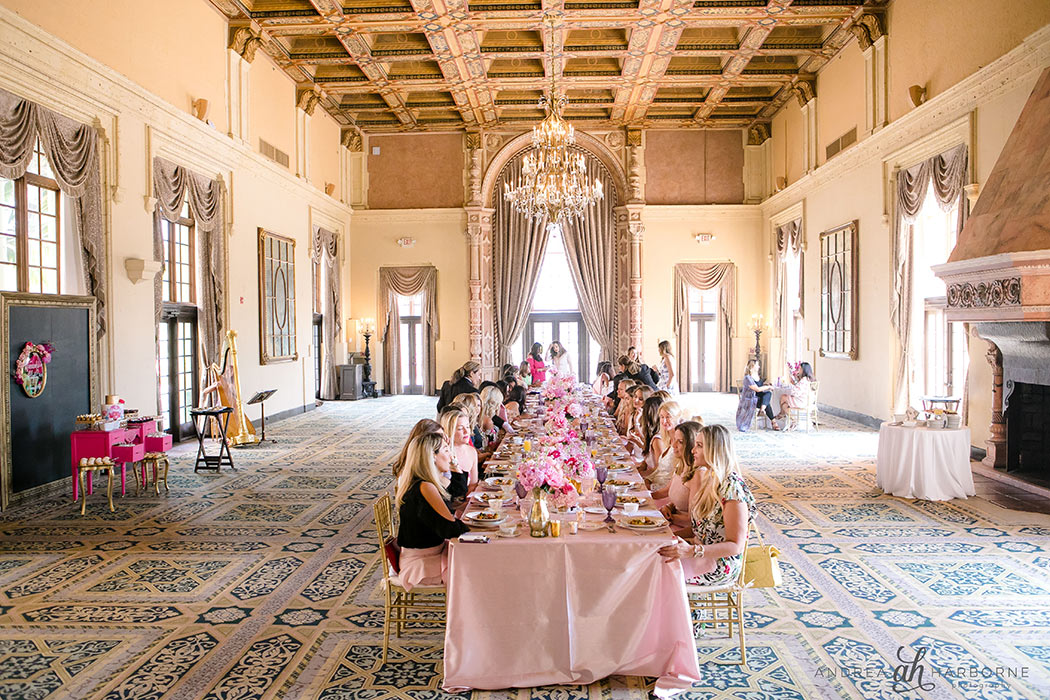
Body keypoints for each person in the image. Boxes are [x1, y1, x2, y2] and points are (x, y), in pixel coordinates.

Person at [658, 424, 756, 587]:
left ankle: (689, 612)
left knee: (661, 572)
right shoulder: (709, 479)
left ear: (715, 450)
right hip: (699, 552)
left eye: (699, 446)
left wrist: (692, 551)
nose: (692, 450)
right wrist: (665, 537)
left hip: (720, 565)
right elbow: (699, 529)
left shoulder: (732, 488)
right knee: (654, 557)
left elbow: (736, 546)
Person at [396, 431, 470, 590]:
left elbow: (458, 493)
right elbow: (451, 530)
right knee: (476, 568)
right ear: (432, 456)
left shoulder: (426, 483)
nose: (450, 455)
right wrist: (473, 526)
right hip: (421, 565)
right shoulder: (425, 487)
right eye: (446, 450)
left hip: (433, 553)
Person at [653, 420, 702, 535]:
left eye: (679, 442)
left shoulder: (698, 475)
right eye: (674, 439)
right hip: (673, 523)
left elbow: (692, 521)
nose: (673, 445)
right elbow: (670, 492)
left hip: (683, 531)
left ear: (691, 445)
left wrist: (669, 518)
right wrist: (668, 507)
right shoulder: (681, 465)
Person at [644, 400, 687, 490]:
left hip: (663, 493)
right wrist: (647, 480)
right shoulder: (667, 439)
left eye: (668, 417)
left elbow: (674, 480)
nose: (664, 421)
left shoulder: (681, 444)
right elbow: (659, 471)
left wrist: (649, 487)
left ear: (677, 418)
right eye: (662, 417)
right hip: (654, 486)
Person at [440, 407, 478, 490]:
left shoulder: (472, 451)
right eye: (460, 428)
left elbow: (473, 484)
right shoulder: (444, 454)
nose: (466, 431)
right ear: (450, 430)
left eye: (467, 427)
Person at [736, 359, 774, 432]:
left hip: (757, 398)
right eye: (757, 365)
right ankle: (772, 420)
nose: (759, 367)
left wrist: (767, 385)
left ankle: (762, 410)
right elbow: (757, 389)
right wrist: (768, 387)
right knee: (766, 403)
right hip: (749, 400)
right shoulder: (748, 378)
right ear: (752, 366)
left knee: (768, 394)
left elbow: (760, 387)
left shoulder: (757, 376)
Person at [636, 395, 666, 481]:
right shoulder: (651, 435)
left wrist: (639, 476)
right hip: (647, 476)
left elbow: (658, 469)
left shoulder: (657, 440)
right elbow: (645, 463)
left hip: (653, 480)